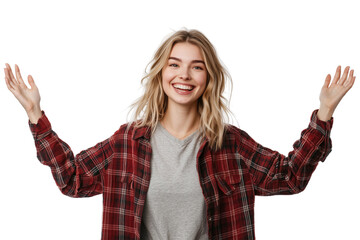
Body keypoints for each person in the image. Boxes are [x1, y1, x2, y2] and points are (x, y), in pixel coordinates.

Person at [4, 29, 356, 240]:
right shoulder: (127, 142)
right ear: (161, 73)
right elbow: (73, 179)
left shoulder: (230, 144)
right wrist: (36, 115)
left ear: (208, 78)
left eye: (196, 66)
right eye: (174, 63)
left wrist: (323, 114)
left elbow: (290, 177)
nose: (184, 75)